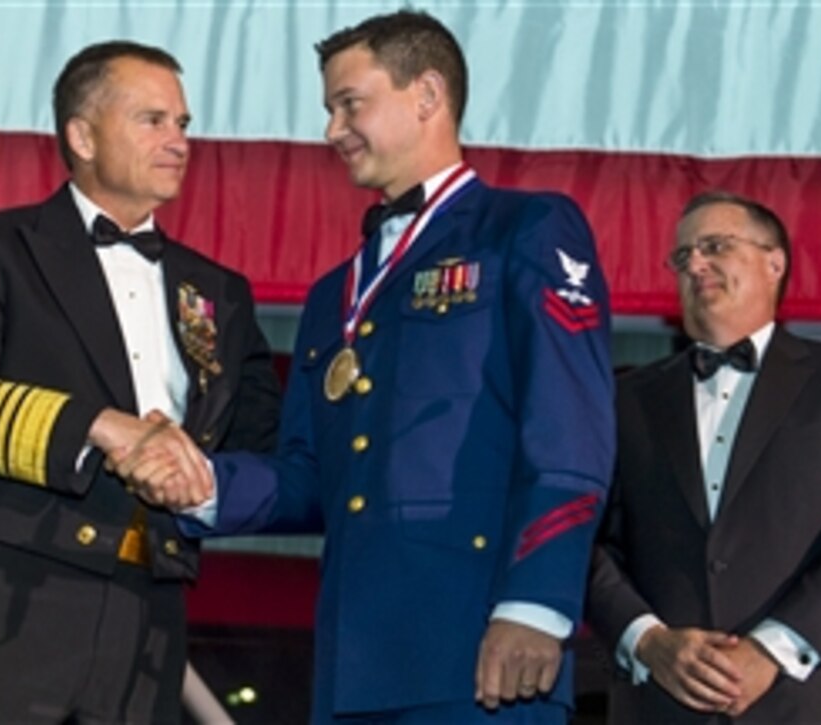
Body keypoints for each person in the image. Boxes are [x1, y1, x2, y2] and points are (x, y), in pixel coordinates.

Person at [116, 10, 615, 723]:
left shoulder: (526, 229)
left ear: (428, 95)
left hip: (485, 650)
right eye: (328, 109)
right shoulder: (331, 296)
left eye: (351, 103)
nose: (331, 130)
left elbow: (570, 432)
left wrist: (536, 603)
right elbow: (308, 475)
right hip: (354, 666)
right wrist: (198, 482)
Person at [0, 40, 280, 724]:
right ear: (82, 134)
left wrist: (200, 477)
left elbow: (262, 444)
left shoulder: (219, 291)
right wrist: (99, 424)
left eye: (184, 124)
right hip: (12, 600)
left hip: (153, 611)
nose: (179, 142)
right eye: (153, 120)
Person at [586, 190, 821, 723]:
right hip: (661, 705)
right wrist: (647, 641)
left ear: (774, 263)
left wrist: (773, 649)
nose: (694, 263)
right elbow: (582, 535)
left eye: (715, 245)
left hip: (807, 704)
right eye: (682, 256)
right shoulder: (624, 399)